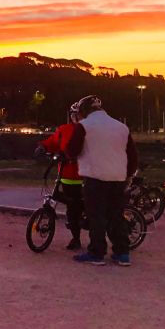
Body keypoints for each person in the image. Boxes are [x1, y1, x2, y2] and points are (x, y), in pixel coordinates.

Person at [64, 95, 137, 266]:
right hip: (118, 178)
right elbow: (132, 156)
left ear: (83, 111)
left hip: (95, 178)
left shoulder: (84, 126)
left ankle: (96, 253)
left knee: (96, 216)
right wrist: (127, 175)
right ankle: (122, 253)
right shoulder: (121, 127)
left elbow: (72, 150)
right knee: (116, 216)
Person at [38, 104, 84, 250]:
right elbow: (53, 141)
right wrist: (43, 147)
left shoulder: (88, 130)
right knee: (72, 208)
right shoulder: (64, 129)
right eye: (73, 114)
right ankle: (76, 238)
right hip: (66, 175)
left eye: (78, 114)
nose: (75, 117)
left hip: (85, 176)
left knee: (83, 207)